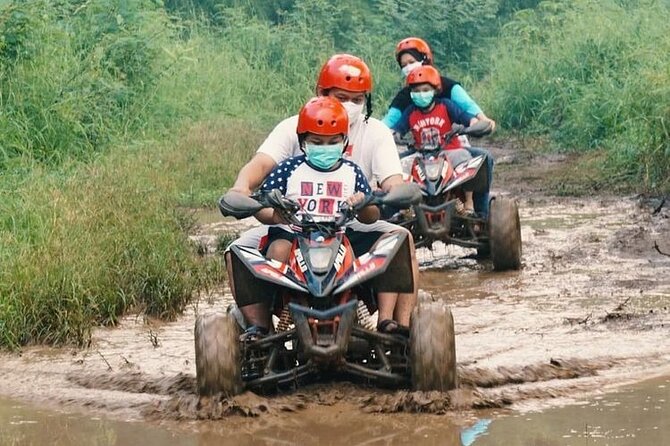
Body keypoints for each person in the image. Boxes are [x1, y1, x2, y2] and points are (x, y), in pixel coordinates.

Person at [226, 54, 418, 337]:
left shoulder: (368, 143)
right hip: (293, 226)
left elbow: (388, 188)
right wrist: (242, 191)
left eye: (358, 99)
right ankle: (262, 329)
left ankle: (395, 327)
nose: (350, 106)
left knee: (401, 240)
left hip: (346, 227)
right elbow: (262, 168)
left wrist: (381, 197)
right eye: (342, 97)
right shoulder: (294, 137)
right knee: (238, 252)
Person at [382, 37, 495, 217]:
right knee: (393, 169)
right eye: (404, 65)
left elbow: (468, 110)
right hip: (420, 153)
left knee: (478, 160)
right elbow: (389, 124)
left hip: (450, 149)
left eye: (411, 62)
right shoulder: (407, 103)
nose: (408, 67)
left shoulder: (447, 94)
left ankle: (477, 211)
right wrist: (386, 135)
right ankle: (398, 213)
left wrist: (480, 121)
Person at [391, 65, 479, 214]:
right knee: (398, 168)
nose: (421, 94)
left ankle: (469, 202)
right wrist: (395, 135)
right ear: (411, 93)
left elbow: (468, 119)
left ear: (435, 90)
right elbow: (397, 129)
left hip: (449, 152)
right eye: (416, 91)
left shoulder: (445, 105)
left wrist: (472, 126)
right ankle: (405, 208)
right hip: (421, 155)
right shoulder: (411, 112)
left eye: (425, 90)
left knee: (466, 159)